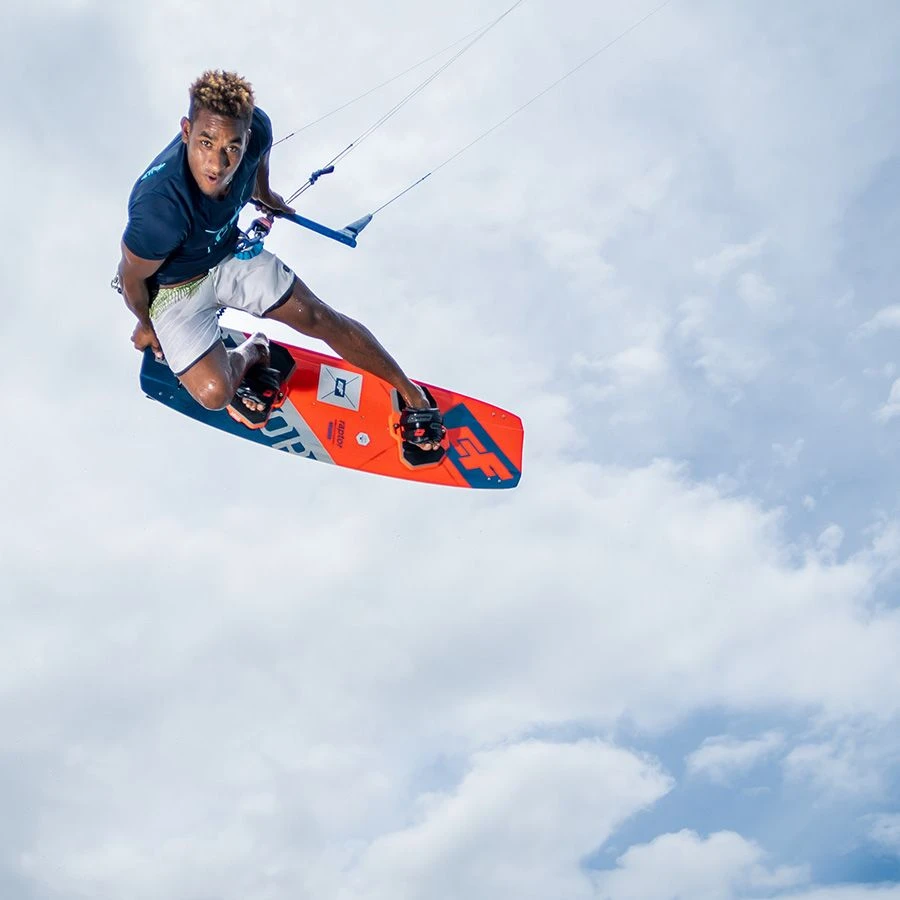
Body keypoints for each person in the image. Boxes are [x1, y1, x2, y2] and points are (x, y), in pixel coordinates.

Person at [116, 69, 443, 450]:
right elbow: (131, 278)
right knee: (214, 393)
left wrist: (265, 194)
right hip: (174, 290)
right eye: (205, 142)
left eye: (232, 148)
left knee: (316, 316)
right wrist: (147, 325)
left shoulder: (258, 130)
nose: (217, 164)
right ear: (186, 131)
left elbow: (258, 161)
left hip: (227, 255)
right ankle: (255, 350)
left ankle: (413, 396)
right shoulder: (159, 207)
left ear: (246, 137)